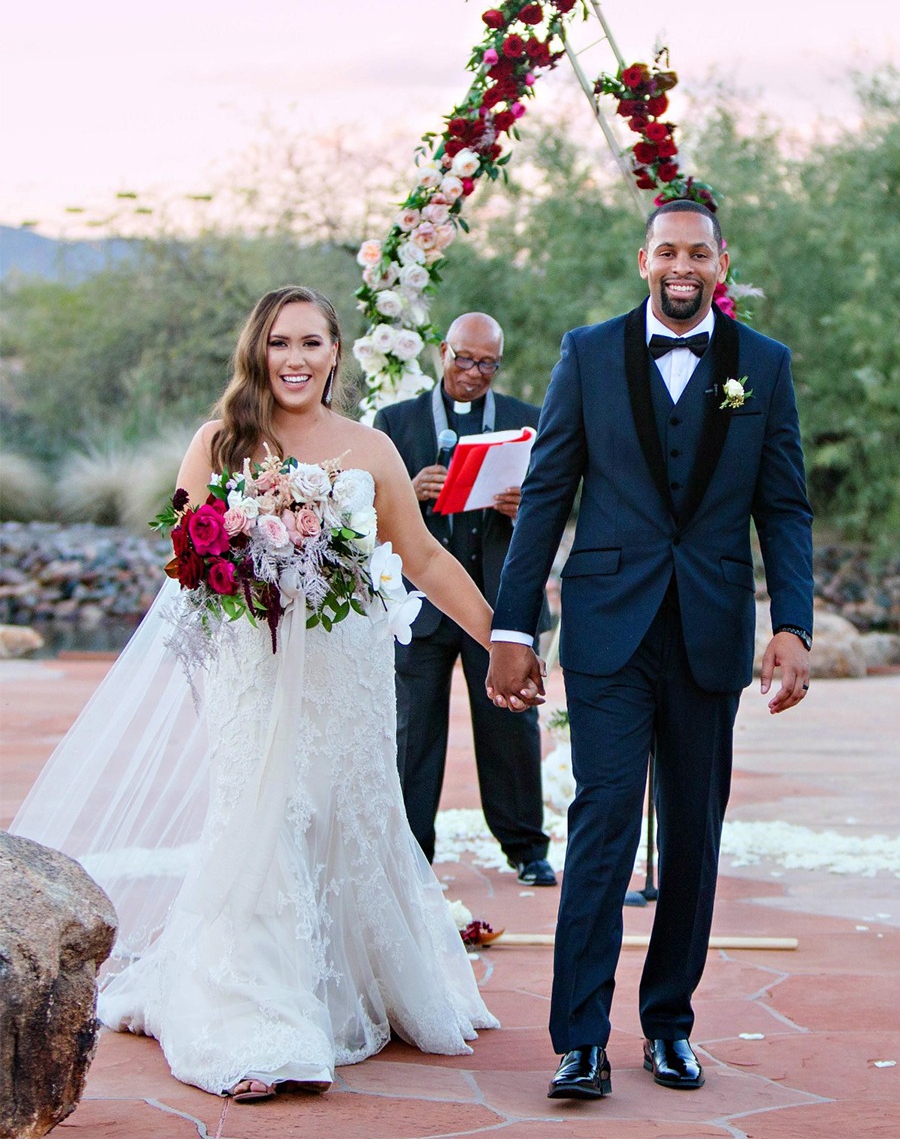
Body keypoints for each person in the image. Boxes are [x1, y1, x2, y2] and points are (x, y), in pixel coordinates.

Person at [11, 285, 498, 1103]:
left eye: (311, 342)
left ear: (336, 352)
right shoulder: (218, 444)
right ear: (257, 352)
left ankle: (350, 982)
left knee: (348, 814)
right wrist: (250, 553)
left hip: (346, 678)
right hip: (256, 672)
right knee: (267, 820)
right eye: (279, 343)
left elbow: (425, 559)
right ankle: (256, 1018)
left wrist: (503, 640)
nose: (296, 359)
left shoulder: (371, 448)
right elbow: (185, 561)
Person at [487, 201, 814, 1100]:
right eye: (667, 250)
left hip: (710, 632)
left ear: (721, 263)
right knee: (602, 822)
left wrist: (793, 623)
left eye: (697, 253)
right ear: (643, 260)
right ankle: (581, 1038)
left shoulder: (767, 366)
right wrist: (513, 628)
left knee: (695, 836)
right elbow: (548, 493)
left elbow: (783, 506)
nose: (682, 265)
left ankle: (670, 1025)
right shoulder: (587, 353)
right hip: (606, 630)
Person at [373, 312, 555, 887]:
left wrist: (526, 506)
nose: (473, 373)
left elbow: (559, 504)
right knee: (413, 730)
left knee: (510, 727)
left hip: (499, 602)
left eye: (487, 363)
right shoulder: (394, 423)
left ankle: (526, 847)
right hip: (420, 605)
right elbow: (363, 513)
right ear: (441, 351)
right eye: (463, 358)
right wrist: (412, 494)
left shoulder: (528, 421)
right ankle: (408, 854)